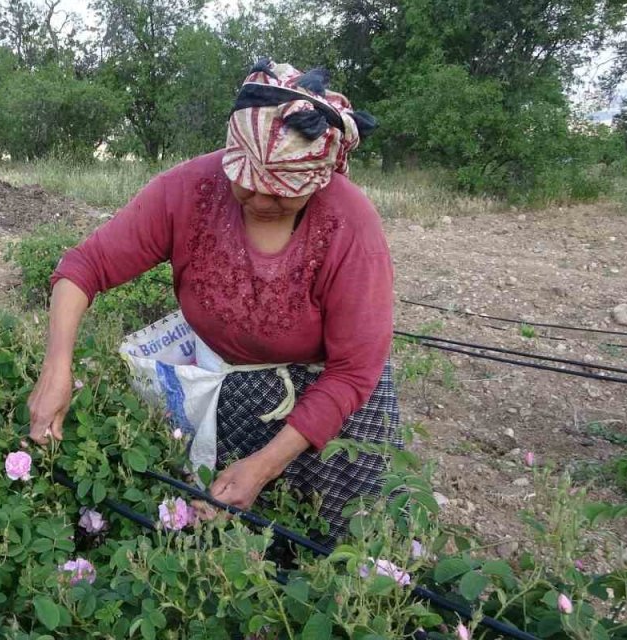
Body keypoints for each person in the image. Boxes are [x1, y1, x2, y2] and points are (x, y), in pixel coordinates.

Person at [27, 60, 397, 544]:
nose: (263, 202)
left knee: (339, 544)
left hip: (332, 399)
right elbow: (84, 267)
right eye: (248, 188)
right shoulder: (191, 190)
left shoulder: (349, 224)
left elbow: (352, 370)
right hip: (232, 391)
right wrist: (57, 367)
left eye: (282, 196)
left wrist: (265, 465)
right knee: (230, 539)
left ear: (317, 181)